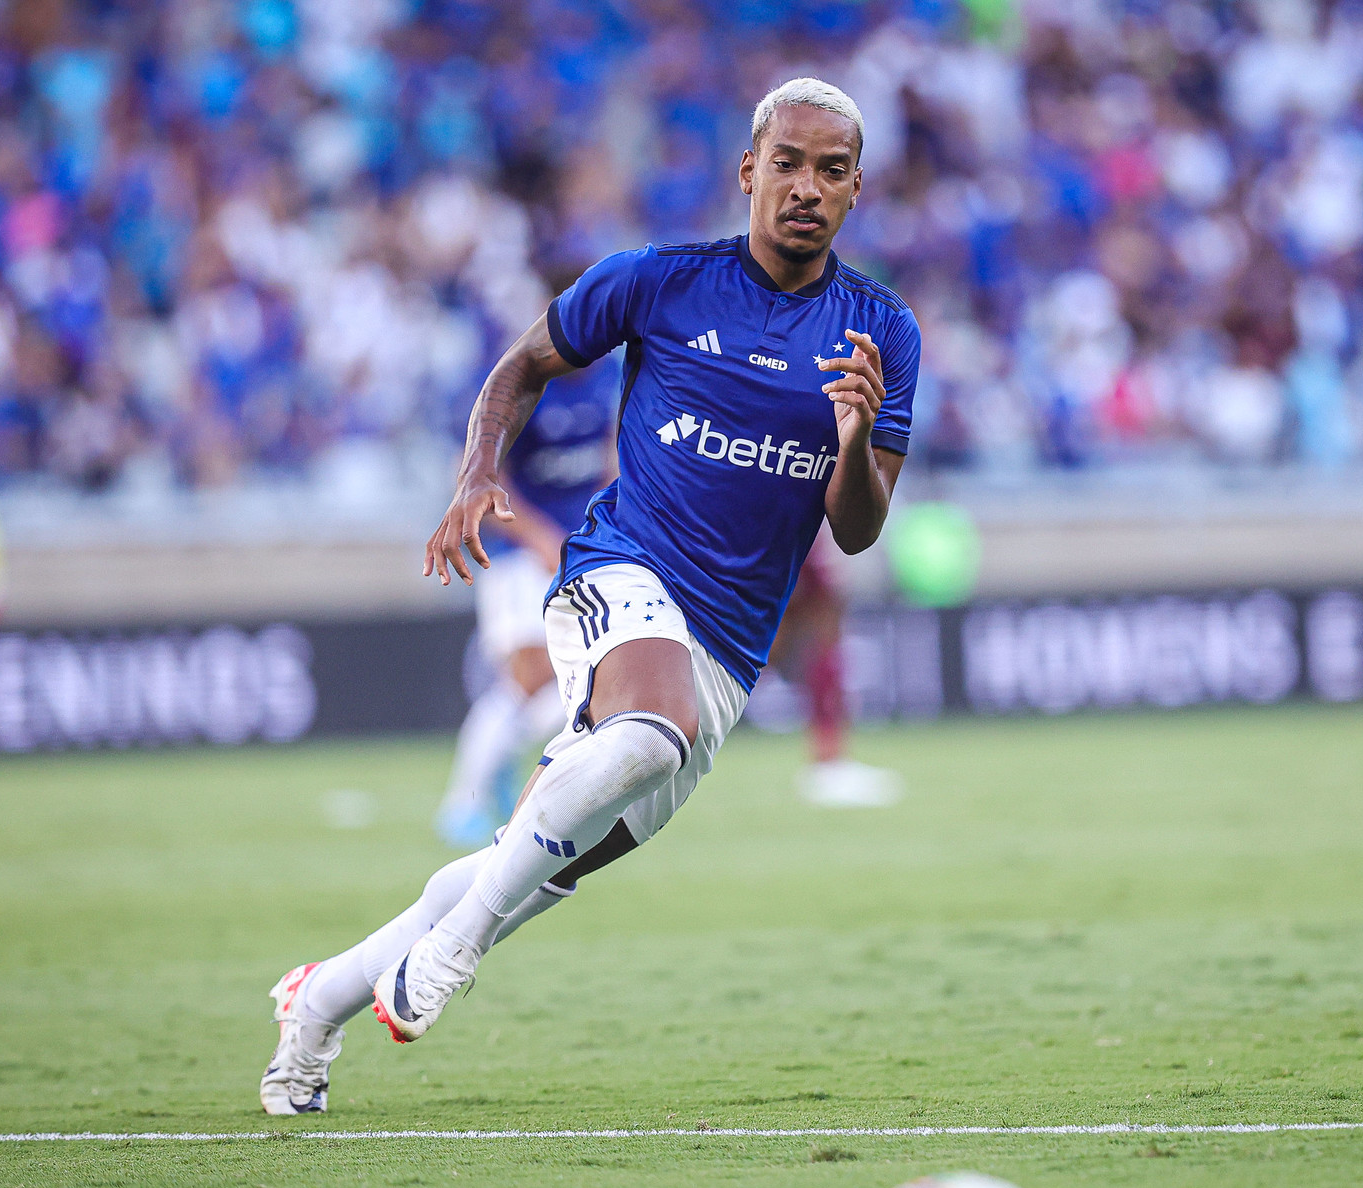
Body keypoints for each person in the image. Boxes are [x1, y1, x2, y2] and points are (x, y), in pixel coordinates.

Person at [262, 78, 920, 1114]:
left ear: (853, 190)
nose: (806, 186)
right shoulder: (655, 281)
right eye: (787, 163)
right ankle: (454, 956)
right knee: (640, 740)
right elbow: (522, 365)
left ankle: (316, 1004)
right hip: (620, 569)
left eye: (830, 171)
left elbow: (856, 525)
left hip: (729, 650)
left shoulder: (881, 331)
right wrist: (481, 468)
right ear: (749, 171)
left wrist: (849, 442)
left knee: (522, 866)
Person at [434, 298, 619, 849]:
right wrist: (538, 537)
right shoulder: (520, 375)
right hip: (518, 557)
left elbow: (607, 457)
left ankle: (501, 769)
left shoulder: (608, 374)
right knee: (529, 678)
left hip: (576, 550)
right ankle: (460, 803)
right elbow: (475, 471)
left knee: (580, 688)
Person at [773, 542, 903, 808]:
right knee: (814, 646)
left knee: (824, 655)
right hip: (780, 532)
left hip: (785, 535)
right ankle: (828, 764)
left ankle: (829, 761)